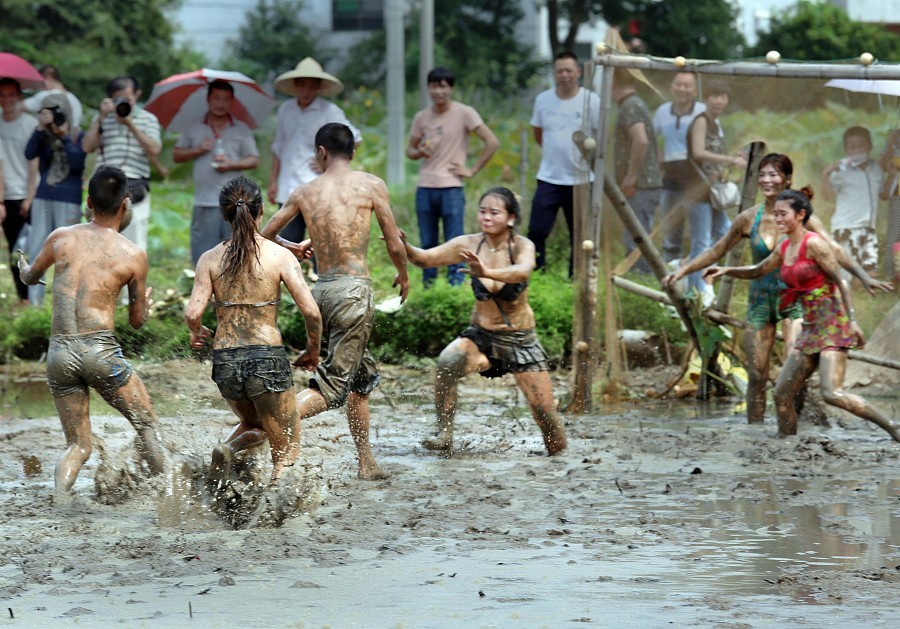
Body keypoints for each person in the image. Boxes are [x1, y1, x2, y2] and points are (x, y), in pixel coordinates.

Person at [663, 153, 892, 424]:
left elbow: (834, 249)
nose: (766, 180)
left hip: (794, 302)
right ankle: (756, 431)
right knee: (757, 374)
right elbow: (717, 250)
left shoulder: (799, 216)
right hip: (760, 301)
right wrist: (682, 271)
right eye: (762, 174)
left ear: (786, 179)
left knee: (794, 365)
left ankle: (799, 423)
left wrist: (863, 275)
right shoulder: (748, 218)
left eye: (773, 174)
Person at [261, 123, 409, 480]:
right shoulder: (372, 185)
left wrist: (293, 247)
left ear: (321, 153)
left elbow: (263, 234)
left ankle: (366, 463)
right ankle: (264, 425)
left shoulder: (304, 191)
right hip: (354, 293)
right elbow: (392, 240)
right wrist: (403, 274)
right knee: (333, 388)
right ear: (352, 151)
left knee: (360, 378)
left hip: (322, 292)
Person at [17, 165, 166, 502]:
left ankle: (60, 500)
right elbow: (138, 322)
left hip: (59, 355)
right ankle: (166, 499)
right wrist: (148, 305)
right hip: (100, 352)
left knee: (78, 445)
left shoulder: (60, 237)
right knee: (146, 426)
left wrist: (25, 269)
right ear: (126, 204)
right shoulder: (133, 254)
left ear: (88, 201)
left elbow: (29, 277)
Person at [704, 188, 900, 442]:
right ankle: (788, 446)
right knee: (782, 394)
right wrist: (726, 269)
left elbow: (839, 280)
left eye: (783, 214)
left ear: (800, 215)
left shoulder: (814, 244)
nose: (778, 220)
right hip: (809, 328)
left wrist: (852, 320)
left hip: (831, 324)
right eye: (776, 215)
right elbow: (758, 270)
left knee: (832, 393)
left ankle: (892, 427)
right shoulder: (785, 247)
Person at [404, 186, 567, 456]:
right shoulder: (468, 244)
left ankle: (560, 462)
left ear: (511, 218)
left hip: (520, 340)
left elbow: (523, 271)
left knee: (546, 415)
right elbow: (424, 259)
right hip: (482, 337)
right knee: (447, 362)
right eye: (482, 211)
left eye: (494, 212)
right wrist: (401, 243)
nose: (486, 217)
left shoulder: (522, 246)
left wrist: (487, 271)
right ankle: (444, 433)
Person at [184, 176, 321, 486]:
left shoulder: (209, 258)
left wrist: (197, 331)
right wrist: (313, 349)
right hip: (266, 357)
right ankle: (275, 504)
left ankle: (229, 448)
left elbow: (193, 312)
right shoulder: (279, 255)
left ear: (224, 215)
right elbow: (311, 311)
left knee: (252, 423)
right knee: (286, 444)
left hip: (226, 361)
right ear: (261, 213)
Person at [406, 66, 499, 286]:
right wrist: (420, 151)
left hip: (452, 186)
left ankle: (455, 284)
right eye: (434, 86)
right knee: (427, 240)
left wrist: (472, 169)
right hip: (426, 186)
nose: (438, 91)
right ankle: (429, 286)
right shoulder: (422, 117)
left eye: (443, 86)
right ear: (428, 88)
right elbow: (409, 151)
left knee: (454, 240)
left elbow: (492, 142)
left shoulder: (464, 112)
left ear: (451, 88)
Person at [267, 58, 361, 245]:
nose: (306, 91)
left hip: (318, 186)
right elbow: (279, 147)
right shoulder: (285, 110)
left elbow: (354, 139)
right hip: (288, 187)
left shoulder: (329, 111)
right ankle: (290, 275)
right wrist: (273, 182)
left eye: (311, 86)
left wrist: (331, 163)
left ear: (318, 88)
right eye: (302, 85)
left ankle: (320, 275)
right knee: (286, 245)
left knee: (321, 243)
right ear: (295, 86)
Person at [527, 51, 600, 276]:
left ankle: (575, 279)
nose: (565, 75)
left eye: (569, 70)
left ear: (578, 72)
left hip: (580, 178)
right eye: (560, 71)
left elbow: (599, 138)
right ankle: (538, 275)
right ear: (555, 74)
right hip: (550, 177)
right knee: (537, 231)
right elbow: (538, 134)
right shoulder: (543, 100)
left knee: (579, 235)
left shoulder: (591, 100)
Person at [173, 80, 260, 265]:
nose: (221, 104)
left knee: (236, 252)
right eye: (216, 98)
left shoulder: (241, 128)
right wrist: (198, 149)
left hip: (236, 203)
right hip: (204, 200)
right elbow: (177, 155)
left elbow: (254, 159)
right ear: (208, 99)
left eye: (226, 99)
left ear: (232, 102)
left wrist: (231, 164)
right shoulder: (194, 126)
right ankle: (202, 290)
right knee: (203, 253)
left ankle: (233, 291)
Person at [683, 79, 747, 303]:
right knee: (701, 242)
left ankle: (701, 277)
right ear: (706, 99)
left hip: (712, 190)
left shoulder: (715, 124)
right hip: (697, 190)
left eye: (723, 96)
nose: (719, 101)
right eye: (714, 96)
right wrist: (731, 160)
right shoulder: (701, 121)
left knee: (725, 232)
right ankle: (694, 294)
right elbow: (698, 152)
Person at [82, 75, 162, 252]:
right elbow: (87, 146)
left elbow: (155, 149)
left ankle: (132, 278)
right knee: (99, 240)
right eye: (118, 99)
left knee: (134, 243)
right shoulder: (103, 117)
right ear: (110, 99)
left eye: (128, 98)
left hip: (135, 183)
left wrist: (129, 123)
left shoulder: (148, 119)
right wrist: (101, 117)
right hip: (103, 185)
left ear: (137, 94)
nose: (123, 103)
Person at [24, 93, 86, 306]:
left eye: (57, 110)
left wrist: (64, 136)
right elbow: (29, 153)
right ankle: (35, 302)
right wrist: (40, 128)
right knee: (36, 246)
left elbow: (77, 162)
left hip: (69, 198)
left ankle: (66, 301)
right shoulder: (43, 135)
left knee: (68, 250)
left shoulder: (78, 135)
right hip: (44, 195)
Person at [652, 71, 706, 265]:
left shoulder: (702, 111)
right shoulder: (662, 112)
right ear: (671, 87)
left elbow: (716, 138)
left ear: (695, 90)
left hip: (696, 179)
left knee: (699, 227)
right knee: (670, 224)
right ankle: (669, 271)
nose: (682, 89)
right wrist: (659, 156)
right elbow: (650, 137)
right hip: (671, 177)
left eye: (687, 85)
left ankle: (697, 269)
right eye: (678, 84)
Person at [611, 68, 662, 274]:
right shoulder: (633, 104)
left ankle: (643, 285)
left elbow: (640, 140)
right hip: (645, 184)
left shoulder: (630, 106)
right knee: (638, 237)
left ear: (614, 81)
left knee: (637, 240)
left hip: (641, 186)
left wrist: (631, 177)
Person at [822, 126, 886, 286]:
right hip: (846, 227)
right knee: (848, 276)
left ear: (869, 146)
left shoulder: (876, 169)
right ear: (846, 150)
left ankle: (861, 303)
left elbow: (883, 194)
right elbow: (828, 197)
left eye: (861, 146)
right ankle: (848, 306)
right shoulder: (841, 172)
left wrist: (892, 173)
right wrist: (826, 174)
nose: (857, 150)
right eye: (853, 147)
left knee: (870, 271)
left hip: (868, 228)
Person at [0, 77, 38, 303]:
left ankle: (36, 295)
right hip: (7, 195)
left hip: (28, 194)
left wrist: (30, 196)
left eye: (11, 95)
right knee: (15, 249)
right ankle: (23, 297)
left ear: (19, 97)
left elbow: (35, 162)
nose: (7, 100)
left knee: (32, 248)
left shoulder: (30, 124)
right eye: (2, 95)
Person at [24, 64, 84, 131]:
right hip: (69, 138)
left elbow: (19, 107)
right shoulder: (74, 99)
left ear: (48, 78)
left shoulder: (46, 95)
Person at [878, 129, 900, 283]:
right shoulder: (893, 137)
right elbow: (882, 164)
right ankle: (892, 274)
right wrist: (891, 145)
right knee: (895, 234)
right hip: (897, 195)